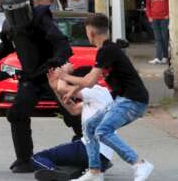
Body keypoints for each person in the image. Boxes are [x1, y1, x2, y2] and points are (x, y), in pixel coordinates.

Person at [0, 0, 78, 173]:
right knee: (16, 114)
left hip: (51, 73)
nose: (17, 18)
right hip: (31, 78)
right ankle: (24, 159)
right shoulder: (9, 26)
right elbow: (7, 46)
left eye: (19, 13)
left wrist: (56, 62)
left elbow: (61, 44)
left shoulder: (42, 18)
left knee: (72, 112)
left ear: (27, 7)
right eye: (13, 13)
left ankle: (92, 150)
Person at [59, 13, 154, 181]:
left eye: (86, 31)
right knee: (90, 126)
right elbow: (93, 75)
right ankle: (95, 172)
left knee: (103, 130)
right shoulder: (106, 50)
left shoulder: (107, 50)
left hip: (133, 100)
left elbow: (89, 81)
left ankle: (139, 163)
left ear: (91, 32)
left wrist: (64, 76)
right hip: (123, 99)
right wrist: (74, 91)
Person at [32, 66, 114, 181]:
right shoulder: (103, 95)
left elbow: (62, 88)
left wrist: (63, 74)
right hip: (103, 157)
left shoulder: (94, 90)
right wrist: (56, 89)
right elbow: (74, 110)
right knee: (71, 153)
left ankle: (53, 171)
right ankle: (80, 171)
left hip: (88, 148)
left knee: (38, 157)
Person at [146, 0, 169, 65]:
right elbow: (147, 6)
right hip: (154, 18)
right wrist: (149, 16)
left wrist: (168, 15)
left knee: (164, 38)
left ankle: (165, 57)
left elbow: (171, 2)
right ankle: (158, 57)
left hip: (164, 18)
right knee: (157, 38)